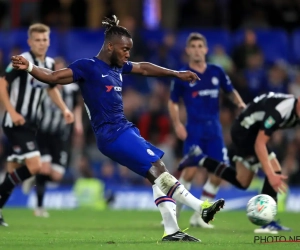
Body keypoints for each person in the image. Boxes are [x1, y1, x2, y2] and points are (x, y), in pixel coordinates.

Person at [11, 15, 225, 242]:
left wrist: (175, 73)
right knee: (159, 169)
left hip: (124, 130)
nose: (127, 54)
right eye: (124, 49)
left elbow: (143, 68)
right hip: (112, 134)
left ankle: (172, 231)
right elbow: (53, 76)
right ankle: (200, 207)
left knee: (156, 172)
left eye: (129, 50)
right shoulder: (88, 67)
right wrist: (31, 67)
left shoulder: (117, 68)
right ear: (110, 46)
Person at [179, 92, 293, 234]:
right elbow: (259, 144)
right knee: (274, 169)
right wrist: (270, 174)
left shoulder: (289, 107)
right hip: (246, 132)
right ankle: (267, 224)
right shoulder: (281, 111)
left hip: (246, 129)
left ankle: (201, 159)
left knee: (242, 181)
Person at [168, 32, 245, 228]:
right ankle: (172, 216)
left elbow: (230, 91)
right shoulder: (182, 74)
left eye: (199, 46)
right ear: (187, 50)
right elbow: (173, 102)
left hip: (214, 130)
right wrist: (177, 124)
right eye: (192, 47)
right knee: (190, 173)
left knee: (218, 174)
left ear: (206, 49)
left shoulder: (216, 72)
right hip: (194, 129)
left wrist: (240, 104)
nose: (196, 50)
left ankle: (199, 217)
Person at [0, 23, 74, 226]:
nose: (41, 43)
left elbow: (51, 89)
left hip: (32, 125)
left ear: (49, 41)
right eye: (37, 40)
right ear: (30, 42)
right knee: (35, 166)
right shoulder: (21, 61)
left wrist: (64, 109)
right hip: (15, 122)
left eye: (44, 40)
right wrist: (12, 111)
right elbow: (2, 84)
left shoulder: (49, 64)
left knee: (13, 171)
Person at [22, 57, 83, 217]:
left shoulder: (72, 88)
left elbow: (77, 105)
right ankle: (40, 207)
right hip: (43, 133)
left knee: (56, 176)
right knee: (44, 168)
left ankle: (32, 177)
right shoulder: (42, 86)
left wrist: (78, 124)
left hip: (61, 135)